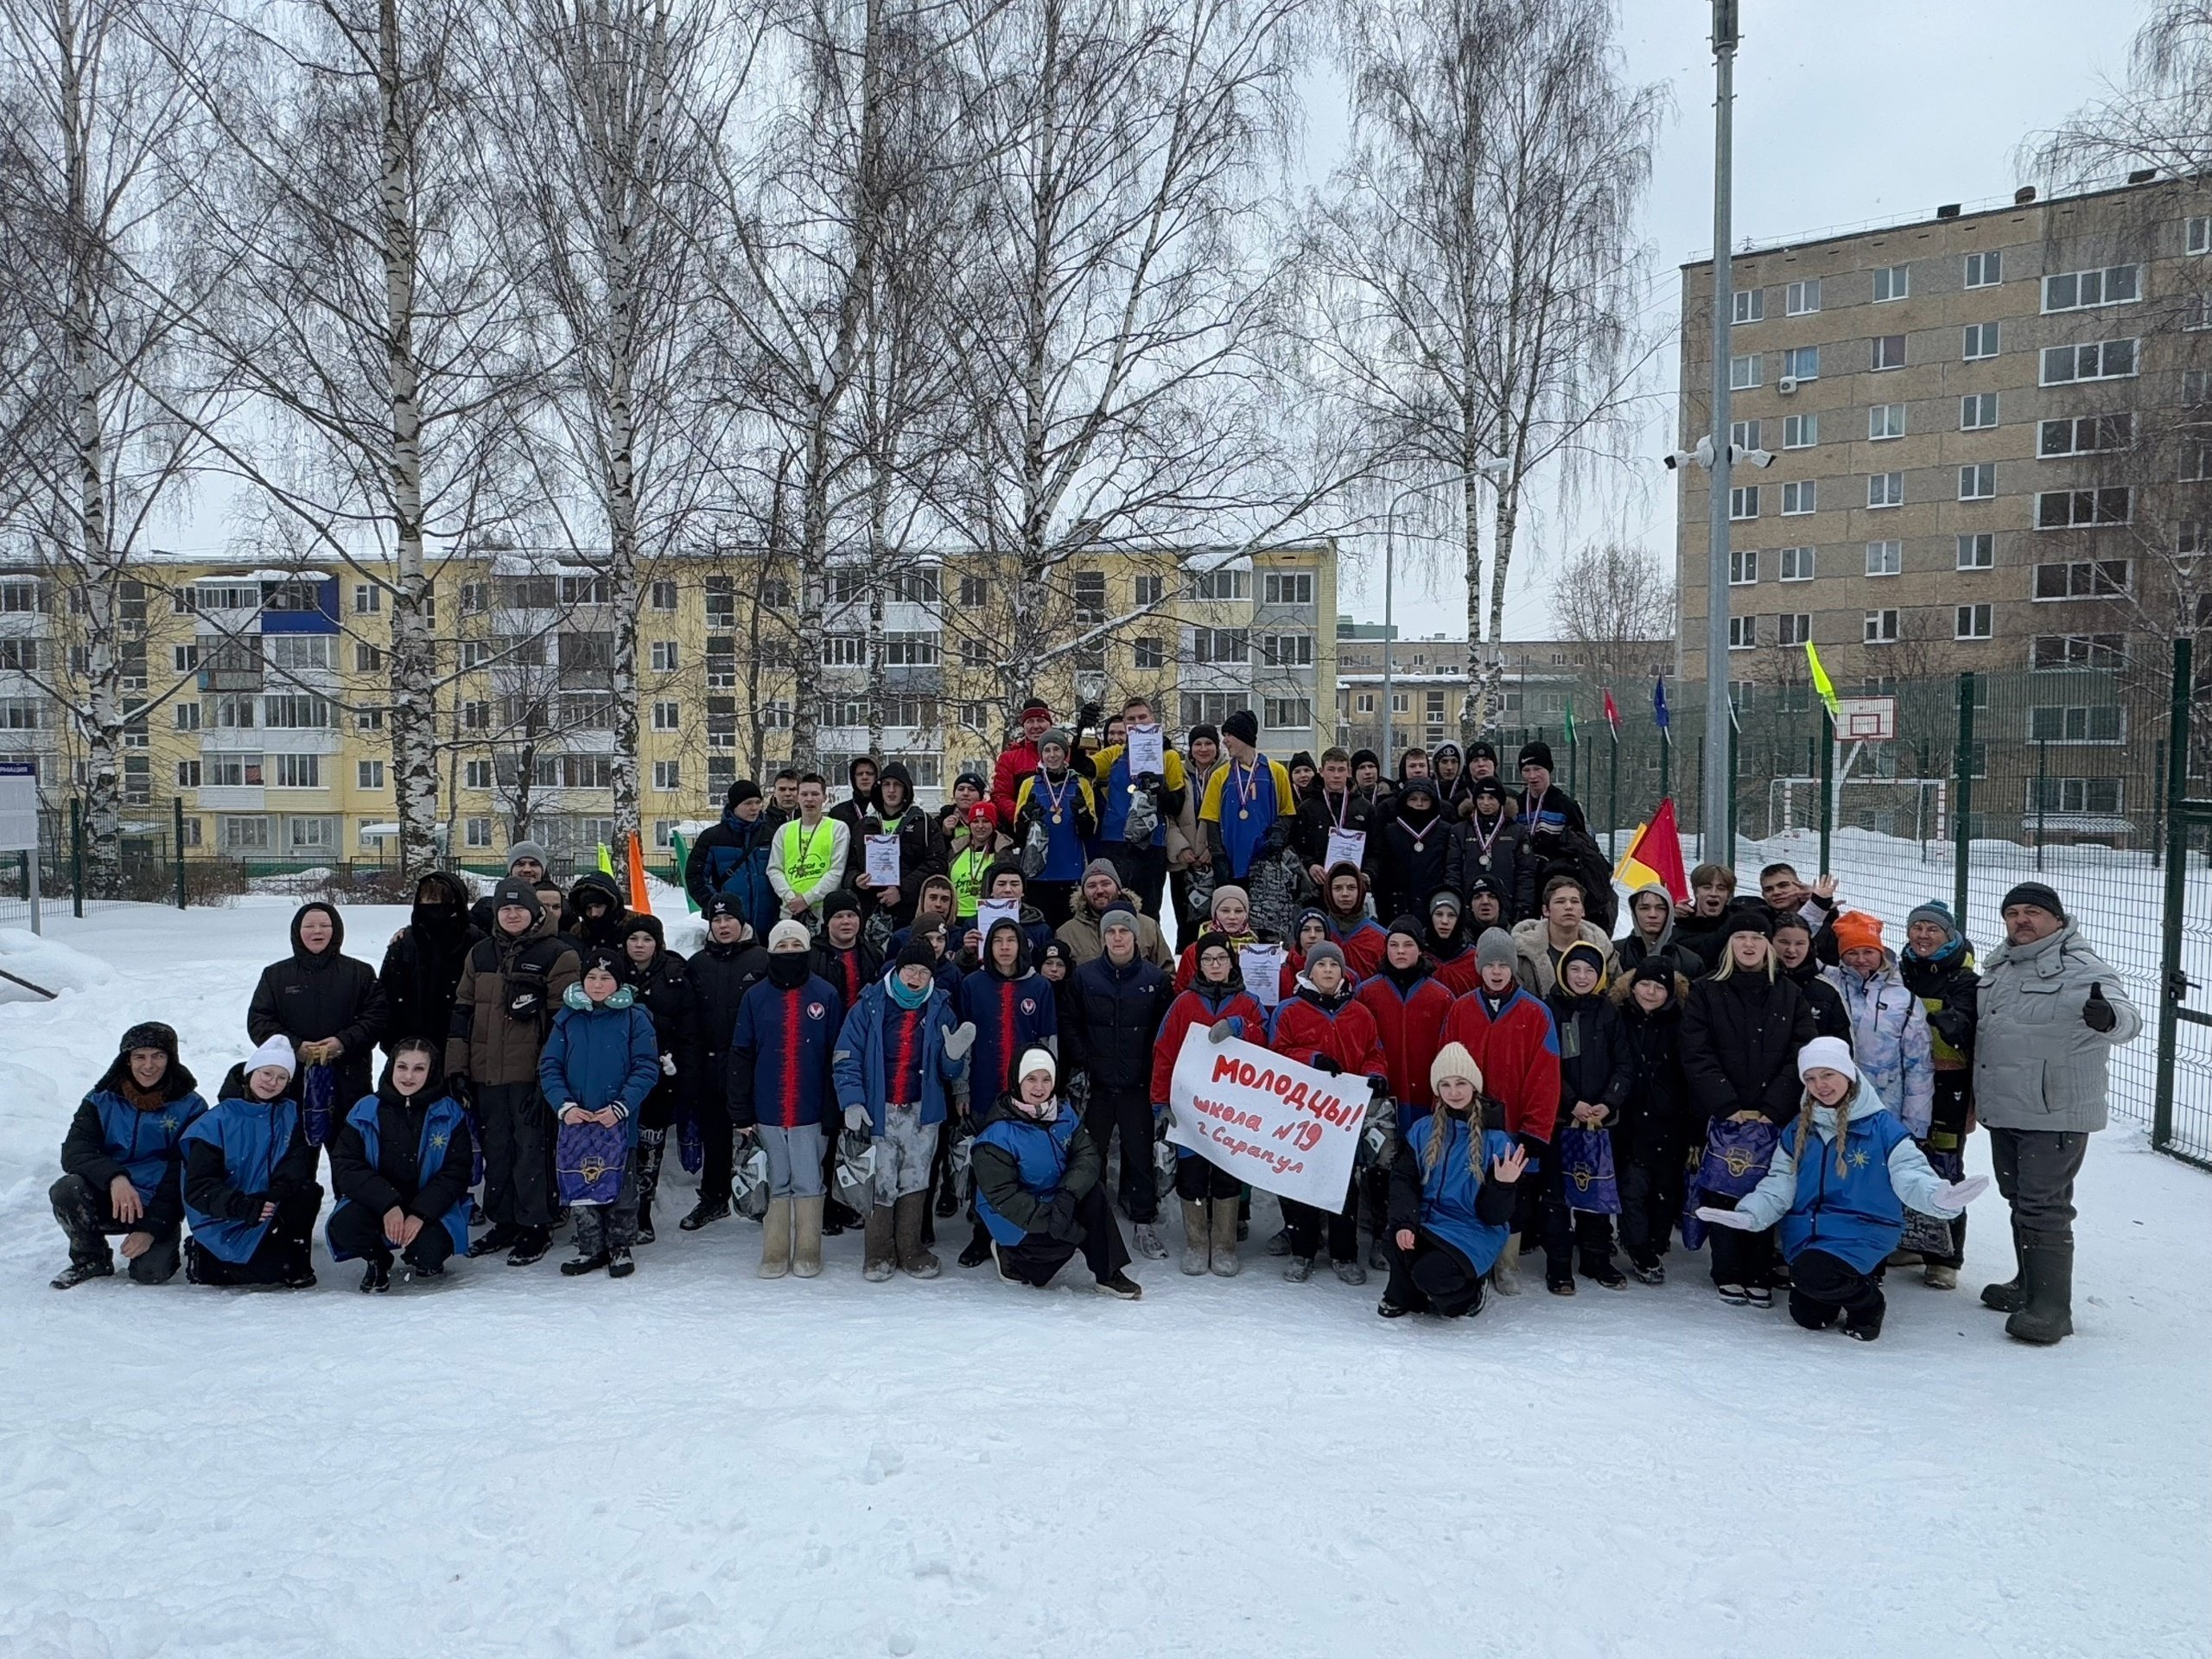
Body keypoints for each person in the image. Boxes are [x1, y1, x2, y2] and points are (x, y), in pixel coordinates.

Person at [1698, 1038, 1986, 1343]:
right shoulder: (1798, 1129)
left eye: (1827, 1075)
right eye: (1810, 1078)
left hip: (1863, 1231)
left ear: (1848, 1074)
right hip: (1808, 1235)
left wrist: (1937, 1197)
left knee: (1814, 1273)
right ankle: (1837, 1282)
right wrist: (1749, 1214)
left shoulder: (1883, 1129)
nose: (1819, 1085)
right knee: (1808, 1316)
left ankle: (1869, 1304)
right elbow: (1779, 1183)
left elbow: (1910, 1174)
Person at [1971, 880, 2140, 1344]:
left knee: (2044, 1206)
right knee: (2019, 1198)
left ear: (2057, 921)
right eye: (2013, 913)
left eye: (2033, 912)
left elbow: (2128, 1019)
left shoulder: (2083, 968)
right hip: (2005, 1107)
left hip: (2055, 1112)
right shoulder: (2001, 965)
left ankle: (2051, 1308)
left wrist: (2108, 1018)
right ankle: (2028, 1284)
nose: (2021, 920)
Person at [1680, 910, 1819, 1307]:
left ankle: (1758, 1269)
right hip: (1725, 1115)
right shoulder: (1707, 991)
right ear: (1729, 944)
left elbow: (1801, 1052)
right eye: (1741, 938)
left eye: (1757, 938)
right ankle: (1726, 1269)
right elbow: (1696, 1052)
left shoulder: (1789, 993)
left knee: (1766, 1189)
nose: (1749, 945)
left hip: (1773, 1115)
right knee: (1725, 1189)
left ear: (1768, 945)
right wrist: (1727, 1104)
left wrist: (1773, 1105)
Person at [448, 879, 582, 1267]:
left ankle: (536, 1224)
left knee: (531, 1152)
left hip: (531, 1075)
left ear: (534, 913)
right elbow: (462, 1011)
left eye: (519, 909)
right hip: (486, 1073)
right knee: (497, 1150)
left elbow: (564, 1024)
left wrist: (550, 1081)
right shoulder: (480, 954)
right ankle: (504, 1220)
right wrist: (456, 1067)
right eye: (505, 910)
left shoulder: (558, 955)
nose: (511, 915)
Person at [833, 938, 976, 1281]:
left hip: (921, 1111)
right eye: (910, 969)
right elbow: (846, 1055)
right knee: (881, 1179)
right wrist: (852, 1099)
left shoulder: (941, 1008)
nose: (915, 977)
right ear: (897, 970)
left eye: (923, 972)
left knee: (914, 1177)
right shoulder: (869, 1004)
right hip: (879, 1109)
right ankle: (878, 1252)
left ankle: (911, 1249)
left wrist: (953, 1057)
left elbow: (947, 1071)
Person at [1440, 926, 1560, 1294]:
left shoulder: (1536, 1013)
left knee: (1512, 1196)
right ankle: (1476, 1257)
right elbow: (1447, 1064)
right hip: (1470, 1122)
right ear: (1479, 967)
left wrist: (1536, 1129)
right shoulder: (1460, 1009)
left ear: (1513, 968)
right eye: (1489, 964)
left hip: (1512, 1123)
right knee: (1470, 1188)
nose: (1496, 971)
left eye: (1502, 965)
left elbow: (1546, 1075)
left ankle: (1508, 1264)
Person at [972, 1048, 1143, 1299]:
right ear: (1017, 1081)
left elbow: (1087, 1157)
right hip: (1016, 1218)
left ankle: (1108, 1273)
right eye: (1031, 1079)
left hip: (1057, 1199)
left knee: (1094, 1193)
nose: (1039, 1087)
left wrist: (1067, 1195)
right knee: (1042, 1273)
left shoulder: (1064, 1114)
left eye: (1046, 1079)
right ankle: (1007, 1254)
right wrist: (1054, 1220)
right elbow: (1004, 1197)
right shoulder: (996, 1137)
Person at [48, 1022, 208, 1289]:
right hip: (111, 1194)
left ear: (171, 1059)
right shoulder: (101, 1099)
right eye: (140, 1057)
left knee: (151, 1274)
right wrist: (115, 1178)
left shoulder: (192, 1106)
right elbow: (76, 1151)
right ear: (127, 1060)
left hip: (158, 1202)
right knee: (67, 1189)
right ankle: (91, 1259)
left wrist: (152, 1226)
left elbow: (186, 1172)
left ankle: (162, 1241)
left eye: (158, 1056)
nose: (149, 1065)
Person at [1266, 940, 1389, 1285]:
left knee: (1343, 1185)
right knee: (1301, 1183)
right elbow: (1277, 1054)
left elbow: (1372, 1052)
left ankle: (1344, 1252)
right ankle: (1302, 1251)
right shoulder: (1289, 1011)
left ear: (1343, 971)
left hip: (1342, 1117)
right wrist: (1311, 1059)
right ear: (1309, 971)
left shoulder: (1359, 1012)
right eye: (1322, 966)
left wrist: (1376, 1075)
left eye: (1335, 965)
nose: (1329, 971)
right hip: (1300, 1113)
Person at [728, 920, 845, 1279]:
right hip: (768, 1108)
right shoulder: (755, 996)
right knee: (777, 1179)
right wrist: (741, 1108)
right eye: (783, 946)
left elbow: (836, 1056)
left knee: (809, 1179)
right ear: (771, 952)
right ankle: (775, 1248)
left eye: (797, 945)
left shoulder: (825, 995)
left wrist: (832, 1108)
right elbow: (742, 1053)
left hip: (811, 1108)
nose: (790, 952)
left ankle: (809, 1247)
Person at [1379, 1043, 1526, 1319]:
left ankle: (1469, 1294)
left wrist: (1504, 1185)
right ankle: (1406, 1294)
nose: (1454, 1092)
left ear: (1474, 1086)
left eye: (1461, 1083)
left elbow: (1494, 1217)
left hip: (1471, 1230)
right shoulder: (1422, 1130)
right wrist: (1406, 1223)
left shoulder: (1495, 1140)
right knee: (1394, 1241)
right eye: (1445, 1084)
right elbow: (1403, 1181)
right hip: (1429, 1221)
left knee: (1431, 1276)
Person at [539, 950, 661, 1278]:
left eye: (606, 978)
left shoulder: (635, 1018)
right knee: (582, 1184)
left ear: (619, 982)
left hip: (617, 1119)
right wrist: (565, 1105)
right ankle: (590, 1246)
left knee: (621, 1184)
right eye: (591, 977)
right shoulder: (568, 1017)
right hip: (578, 1121)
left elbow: (646, 1067)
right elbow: (549, 1066)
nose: (597, 984)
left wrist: (621, 1106)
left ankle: (620, 1245)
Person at [1152, 932, 1264, 1276]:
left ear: (1232, 963)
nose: (1215, 965)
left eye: (1221, 958)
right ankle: (1198, 1243)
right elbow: (1164, 1054)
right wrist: (1160, 1103)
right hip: (1192, 1109)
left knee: (1228, 1176)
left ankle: (1225, 1245)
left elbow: (1268, 1041)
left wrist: (1240, 1027)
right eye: (1207, 959)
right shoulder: (1184, 1004)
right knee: (1194, 1175)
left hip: (1234, 1111)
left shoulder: (1248, 1002)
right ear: (1198, 965)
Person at [1067, 907, 1175, 1259]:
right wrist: (1084, 1061)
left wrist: (1153, 1072)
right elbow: (1070, 1021)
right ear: (1103, 937)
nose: (1117, 937)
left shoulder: (1155, 980)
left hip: (1137, 1086)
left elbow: (1164, 1032)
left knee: (1140, 1156)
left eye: (1123, 931)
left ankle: (1144, 1221)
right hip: (1097, 1085)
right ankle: (1093, 1219)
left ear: (1135, 936)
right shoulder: (1084, 977)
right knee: (1089, 1155)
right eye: (1111, 931)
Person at [326, 1038, 473, 1291]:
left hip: (427, 1205)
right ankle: (376, 1258)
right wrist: (387, 1204)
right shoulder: (365, 1109)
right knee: (345, 1226)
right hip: (376, 1203)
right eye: (402, 1067)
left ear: (431, 1072)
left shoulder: (450, 1113)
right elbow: (346, 1164)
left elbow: (456, 1171)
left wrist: (420, 1213)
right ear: (391, 1067)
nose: (408, 1076)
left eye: (419, 1069)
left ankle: (423, 1257)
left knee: (430, 1249)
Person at [247, 901, 388, 1154]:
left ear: (336, 930)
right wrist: (295, 1047)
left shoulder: (359, 973)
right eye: (309, 925)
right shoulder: (276, 975)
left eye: (325, 925)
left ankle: (348, 1196)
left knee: (350, 1157)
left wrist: (343, 1042)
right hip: (292, 1085)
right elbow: (260, 1021)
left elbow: (376, 1019)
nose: (317, 931)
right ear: (297, 932)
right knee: (294, 1160)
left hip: (348, 1082)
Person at [181, 1036, 321, 1288]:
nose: (272, 1083)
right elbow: (199, 1188)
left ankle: (293, 1260)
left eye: (281, 1078)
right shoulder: (216, 1121)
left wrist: (272, 1195)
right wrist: (242, 1206)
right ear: (251, 1072)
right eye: (267, 1073)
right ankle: (205, 1258)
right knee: (265, 1274)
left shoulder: (289, 1115)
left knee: (307, 1192)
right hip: (226, 1213)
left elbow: (294, 1169)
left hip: (265, 1208)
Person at [1355, 918, 1453, 1268]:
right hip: (1382, 1098)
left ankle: (1419, 1233)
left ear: (1420, 949)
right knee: (1381, 1169)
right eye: (1394, 945)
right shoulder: (1368, 991)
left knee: (1420, 1169)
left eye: (1407, 945)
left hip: (1425, 1099)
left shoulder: (1440, 995)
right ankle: (1381, 1233)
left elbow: (1448, 1048)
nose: (1400, 952)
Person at [676, 894, 771, 1233]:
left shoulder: (762, 960)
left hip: (752, 1064)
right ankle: (714, 1198)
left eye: (729, 919)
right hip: (711, 1064)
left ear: (741, 922)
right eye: (716, 921)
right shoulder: (699, 963)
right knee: (714, 1134)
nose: (723, 925)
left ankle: (765, 1198)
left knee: (761, 1135)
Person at [1541, 941, 1631, 1294]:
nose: (1581, 976)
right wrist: (1571, 1102)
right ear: (1563, 971)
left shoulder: (1609, 1012)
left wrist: (1608, 1103)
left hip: (1599, 1123)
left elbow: (1624, 1063)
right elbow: (1545, 1064)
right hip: (1561, 1120)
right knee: (1556, 1197)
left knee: (1596, 1192)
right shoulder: (1549, 1009)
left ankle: (1597, 1260)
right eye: (1575, 969)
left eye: (1589, 970)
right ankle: (1559, 1266)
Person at [1898, 900, 1980, 1289]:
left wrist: (1955, 1023)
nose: (1923, 936)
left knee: (1944, 1164)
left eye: (1933, 929)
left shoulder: (1964, 979)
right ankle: (1910, 1241)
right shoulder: (1901, 970)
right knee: (1904, 1158)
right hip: (1907, 1083)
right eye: (1918, 928)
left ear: (1949, 935)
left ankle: (1946, 1256)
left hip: (1949, 1084)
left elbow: (1970, 1026)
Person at [1820, 912, 1933, 1140]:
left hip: (1886, 1113)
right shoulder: (1827, 983)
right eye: (1852, 952)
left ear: (1880, 953)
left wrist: (1915, 1127)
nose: (1861, 959)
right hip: (1833, 1107)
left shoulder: (1904, 1000)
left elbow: (1918, 1067)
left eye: (1868, 951)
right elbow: (1793, 947)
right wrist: (1817, 908)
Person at [616, 914, 694, 1244]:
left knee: (650, 1146)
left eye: (646, 940)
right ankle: (616, 1209)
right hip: (619, 1074)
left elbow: (688, 1027)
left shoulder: (675, 976)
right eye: (633, 939)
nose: (639, 946)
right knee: (619, 1146)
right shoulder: (612, 972)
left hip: (662, 1072)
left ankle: (643, 1212)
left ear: (657, 943)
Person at [1613, 957, 1691, 1284]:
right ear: (1633, 987)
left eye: (1659, 987)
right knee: (1632, 1186)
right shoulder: (1619, 1017)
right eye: (1645, 984)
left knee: (1664, 1188)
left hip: (1669, 1120)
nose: (1650, 992)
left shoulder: (1681, 1022)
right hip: (1628, 1116)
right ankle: (1637, 1245)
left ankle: (1656, 1242)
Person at [1089, 696, 1186, 918]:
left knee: (1149, 912)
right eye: (1131, 719)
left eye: (1143, 717)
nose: (1137, 722)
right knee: (1113, 907)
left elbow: (1177, 804)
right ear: (1124, 724)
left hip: (1151, 842)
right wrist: (1084, 730)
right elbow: (1083, 767)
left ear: (1153, 719)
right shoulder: (1115, 753)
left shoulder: (1168, 756)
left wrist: (1159, 790)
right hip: (1115, 840)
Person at [378, 873, 481, 1057]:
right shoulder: (405, 944)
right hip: (410, 1050)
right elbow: (386, 997)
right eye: (428, 902)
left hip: (466, 1049)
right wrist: (395, 1044)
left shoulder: (477, 942)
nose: (435, 910)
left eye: (444, 901)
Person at [1198, 709, 1296, 894]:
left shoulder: (1275, 772)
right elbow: (1211, 820)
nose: (1225, 741)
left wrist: (1277, 837)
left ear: (1245, 736)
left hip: (1266, 863)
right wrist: (1219, 858)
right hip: (1232, 863)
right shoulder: (1220, 775)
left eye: (1229, 735)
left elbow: (1287, 813)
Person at [1012, 728, 1098, 926]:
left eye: (1057, 750)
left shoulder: (1081, 783)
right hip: (1038, 872)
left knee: (1069, 929)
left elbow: (1090, 831)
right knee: (1041, 927)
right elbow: (1018, 831)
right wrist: (1026, 816)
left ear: (1065, 753)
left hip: (1071, 871)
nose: (1052, 755)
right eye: (1047, 750)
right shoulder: (1029, 784)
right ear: (1041, 754)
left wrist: (1083, 815)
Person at [854, 760, 943, 929]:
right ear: (879, 788)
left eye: (897, 785)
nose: (891, 790)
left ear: (906, 789)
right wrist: (855, 879)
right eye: (886, 784)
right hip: (871, 909)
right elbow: (851, 864)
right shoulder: (864, 825)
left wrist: (902, 891)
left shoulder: (923, 822)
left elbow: (936, 863)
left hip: (910, 909)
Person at [684, 779, 779, 940]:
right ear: (734, 806)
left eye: (758, 802)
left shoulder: (771, 835)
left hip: (769, 925)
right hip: (728, 928)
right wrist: (716, 907)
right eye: (748, 803)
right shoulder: (712, 838)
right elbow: (695, 877)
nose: (754, 808)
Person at [1058, 858, 1173, 970]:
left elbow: (1167, 974)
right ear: (1083, 893)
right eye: (1092, 886)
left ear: (1119, 889)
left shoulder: (1148, 927)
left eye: (1105, 884)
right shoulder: (1066, 933)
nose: (1099, 890)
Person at [1371, 778, 1459, 925]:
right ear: (1404, 801)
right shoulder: (1390, 831)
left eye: (1425, 799)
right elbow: (1384, 872)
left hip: (1434, 904)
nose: (1419, 804)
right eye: (1413, 799)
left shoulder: (1445, 830)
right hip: (1399, 905)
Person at [767, 773, 850, 931]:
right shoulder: (784, 831)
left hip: (823, 912)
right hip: (790, 911)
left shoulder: (838, 828)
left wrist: (807, 898)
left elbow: (836, 871)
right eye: (804, 794)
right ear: (798, 797)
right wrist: (791, 898)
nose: (809, 799)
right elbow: (774, 869)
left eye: (815, 794)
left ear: (824, 797)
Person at [1292, 747, 1380, 893]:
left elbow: (1376, 849)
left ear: (1349, 771)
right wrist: (1310, 865)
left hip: (1355, 887)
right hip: (1318, 887)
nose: (1336, 775)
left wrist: (1368, 873)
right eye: (1331, 770)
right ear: (1321, 771)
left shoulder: (1365, 808)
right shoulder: (1307, 808)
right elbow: (1297, 848)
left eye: (1341, 770)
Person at [1511, 875, 1616, 996]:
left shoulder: (1604, 950)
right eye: (1560, 901)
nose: (1568, 907)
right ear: (1546, 911)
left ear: (1583, 911)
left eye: (1575, 901)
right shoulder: (1523, 952)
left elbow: (1615, 995)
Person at [1170, 722, 1222, 929]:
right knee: (1186, 926)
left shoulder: (1226, 774)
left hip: (1216, 861)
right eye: (1197, 744)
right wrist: (1180, 848)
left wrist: (1213, 848)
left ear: (1217, 747)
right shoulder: (1178, 774)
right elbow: (1168, 815)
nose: (1203, 749)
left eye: (1209, 743)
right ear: (1190, 748)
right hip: (1184, 862)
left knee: (1215, 924)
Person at [1773, 913, 1849, 1040]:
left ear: (1810, 946)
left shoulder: (1827, 991)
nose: (1791, 950)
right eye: (1784, 942)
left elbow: (1843, 1045)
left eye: (1800, 943)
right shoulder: (1758, 983)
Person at [1459, 780, 1529, 918]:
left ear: (1501, 800)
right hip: (1471, 905)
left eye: (1491, 798)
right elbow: (1453, 870)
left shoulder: (1517, 831)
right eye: (1481, 798)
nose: (1486, 803)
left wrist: (1523, 906)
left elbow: (1525, 872)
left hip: (1507, 904)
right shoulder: (1460, 830)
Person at [990, 696, 1057, 834]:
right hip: (1024, 831)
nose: (1035, 726)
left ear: (1050, 724)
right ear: (1023, 726)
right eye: (1030, 721)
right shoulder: (1010, 758)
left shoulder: (1065, 754)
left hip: (1060, 825)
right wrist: (1021, 815)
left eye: (1041, 720)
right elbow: (1001, 795)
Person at [810, 889, 882, 1011]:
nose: (846, 921)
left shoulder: (872, 953)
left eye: (851, 915)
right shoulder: (812, 955)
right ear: (828, 922)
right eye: (838, 916)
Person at [1615, 882, 1702, 980]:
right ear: (1634, 912)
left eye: (1661, 908)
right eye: (1644, 908)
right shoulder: (1615, 954)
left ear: (1669, 913)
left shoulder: (1690, 962)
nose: (1653, 914)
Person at [1319, 862, 1389, 980]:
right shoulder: (1316, 933)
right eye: (1338, 888)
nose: (1345, 894)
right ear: (1328, 892)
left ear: (1360, 890)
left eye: (1351, 887)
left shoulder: (1381, 938)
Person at [828, 756, 884, 893]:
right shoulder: (838, 813)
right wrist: (852, 879)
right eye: (859, 774)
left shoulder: (888, 810)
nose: (864, 777)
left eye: (870, 774)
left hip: (884, 883)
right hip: (849, 886)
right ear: (853, 778)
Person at [467, 841, 550, 931]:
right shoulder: (485, 910)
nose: (527, 869)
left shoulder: (558, 906)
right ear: (511, 869)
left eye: (534, 864)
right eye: (520, 864)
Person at [1670, 863, 1742, 967]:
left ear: (1728, 896)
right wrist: (1670, 915)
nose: (1714, 893)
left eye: (1721, 888)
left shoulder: (1737, 924)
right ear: (1696, 892)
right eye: (1707, 887)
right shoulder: (1677, 929)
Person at [1423, 888, 1482, 997]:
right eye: (1439, 914)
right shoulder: (1418, 955)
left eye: (1451, 915)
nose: (1445, 921)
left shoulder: (1474, 959)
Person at [563, 872, 635, 957]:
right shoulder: (578, 931)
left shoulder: (635, 924)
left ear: (610, 905)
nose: (593, 914)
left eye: (598, 906)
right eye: (588, 908)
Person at [1430, 741, 1473, 821]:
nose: (1449, 767)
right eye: (1444, 761)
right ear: (1436, 764)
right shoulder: (1428, 789)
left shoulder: (1469, 790)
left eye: (1454, 762)